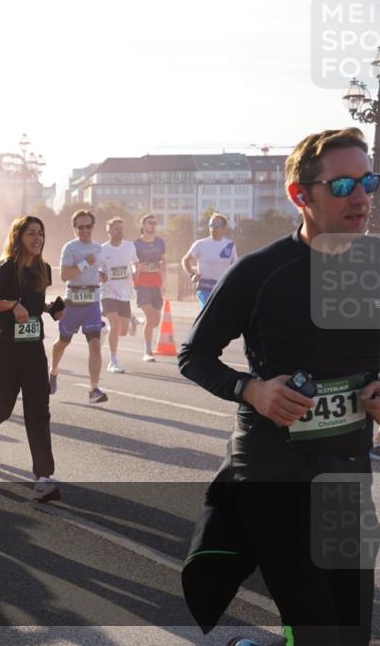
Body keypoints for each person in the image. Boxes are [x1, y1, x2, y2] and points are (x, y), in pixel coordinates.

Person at [179, 128, 380, 645]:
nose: (360, 198)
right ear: (301, 195)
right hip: (272, 477)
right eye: (342, 187)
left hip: (345, 479)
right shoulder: (259, 273)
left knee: (351, 636)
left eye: (368, 181)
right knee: (319, 634)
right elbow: (194, 356)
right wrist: (252, 389)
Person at [0, 215, 65, 501]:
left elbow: (33, 303)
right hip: (8, 348)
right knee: (1, 407)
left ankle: (43, 477)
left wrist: (50, 309)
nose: (37, 238)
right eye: (31, 233)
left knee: (39, 411)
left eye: (41, 233)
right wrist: (11, 305)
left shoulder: (43, 268)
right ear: (18, 237)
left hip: (34, 349)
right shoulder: (7, 268)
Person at [51, 210, 108, 403]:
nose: (84, 230)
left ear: (93, 227)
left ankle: (94, 389)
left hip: (92, 300)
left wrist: (100, 274)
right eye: (80, 227)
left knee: (95, 345)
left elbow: (95, 266)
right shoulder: (70, 248)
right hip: (73, 302)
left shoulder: (98, 248)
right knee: (63, 342)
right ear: (74, 228)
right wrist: (85, 263)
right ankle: (53, 371)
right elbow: (65, 275)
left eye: (88, 226)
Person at [99, 217, 139, 373]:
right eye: (117, 229)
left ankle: (106, 329)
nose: (120, 231)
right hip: (108, 291)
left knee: (122, 331)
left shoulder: (130, 246)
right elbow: (96, 268)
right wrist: (100, 274)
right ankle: (113, 361)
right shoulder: (102, 249)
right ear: (109, 231)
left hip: (124, 293)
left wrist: (135, 272)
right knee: (115, 324)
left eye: (122, 229)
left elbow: (135, 263)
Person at [181, 213, 238, 309]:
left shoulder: (230, 245)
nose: (213, 228)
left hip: (221, 287)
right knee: (208, 313)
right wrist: (192, 274)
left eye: (217, 225)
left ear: (224, 228)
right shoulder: (200, 244)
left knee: (219, 317)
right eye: (211, 225)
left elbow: (236, 265)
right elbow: (185, 260)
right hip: (204, 287)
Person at [132, 214, 166, 362]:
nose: (152, 225)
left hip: (156, 283)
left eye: (154, 223)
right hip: (141, 283)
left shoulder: (160, 242)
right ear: (143, 225)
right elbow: (132, 263)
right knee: (150, 315)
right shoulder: (136, 244)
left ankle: (135, 321)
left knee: (156, 321)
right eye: (149, 223)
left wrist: (162, 266)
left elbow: (162, 259)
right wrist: (137, 268)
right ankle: (148, 350)